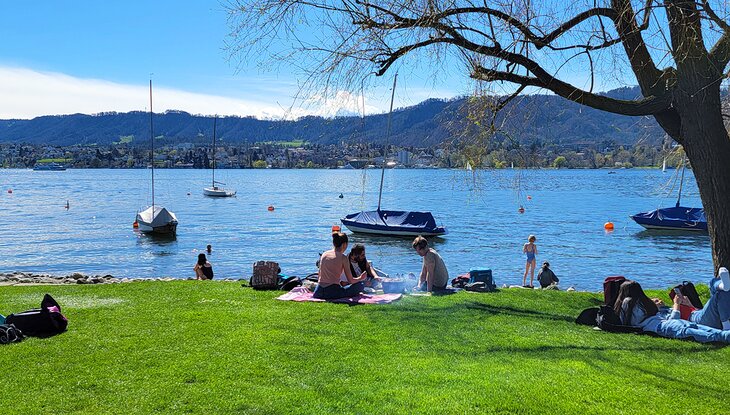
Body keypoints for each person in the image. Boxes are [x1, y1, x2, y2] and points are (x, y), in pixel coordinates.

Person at [613, 276, 730, 343]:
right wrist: (675, 305)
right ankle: (724, 335)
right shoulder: (632, 304)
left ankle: (724, 335)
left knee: (693, 330)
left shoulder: (629, 306)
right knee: (692, 329)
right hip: (667, 324)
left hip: (666, 324)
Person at [314, 232, 367, 299]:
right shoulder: (343, 258)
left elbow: (319, 275)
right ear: (344, 244)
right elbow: (351, 280)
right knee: (360, 285)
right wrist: (361, 278)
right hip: (332, 292)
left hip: (318, 291)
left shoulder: (324, 254)